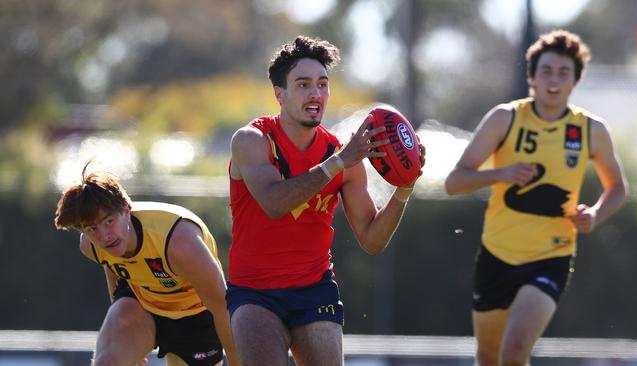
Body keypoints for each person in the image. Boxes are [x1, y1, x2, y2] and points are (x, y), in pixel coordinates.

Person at [227, 35, 426, 365]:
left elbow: (372, 240)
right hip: (254, 292)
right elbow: (274, 204)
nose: (316, 93)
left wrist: (404, 187)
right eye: (303, 84)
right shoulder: (253, 140)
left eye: (322, 84)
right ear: (280, 94)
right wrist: (338, 163)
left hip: (313, 289)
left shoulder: (342, 155)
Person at [445, 30, 627, 366]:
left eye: (563, 72)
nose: (554, 80)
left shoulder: (590, 130)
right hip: (496, 254)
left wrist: (596, 214)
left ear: (575, 81)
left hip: (551, 256)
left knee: (514, 353)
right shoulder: (505, 118)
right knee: (488, 357)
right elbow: (455, 182)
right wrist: (500, 174)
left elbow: (617, 188)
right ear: (531, 76)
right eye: (546, 71)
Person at [54, 161, 240, 366]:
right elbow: (113, 266)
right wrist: (124, 332)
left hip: (195, 317)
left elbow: (222, 306)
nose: (105, 236)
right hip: (144, 306)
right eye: (92, 229)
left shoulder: (180, 243)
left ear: (126, 209)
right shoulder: (91, 246)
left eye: (109, 221)